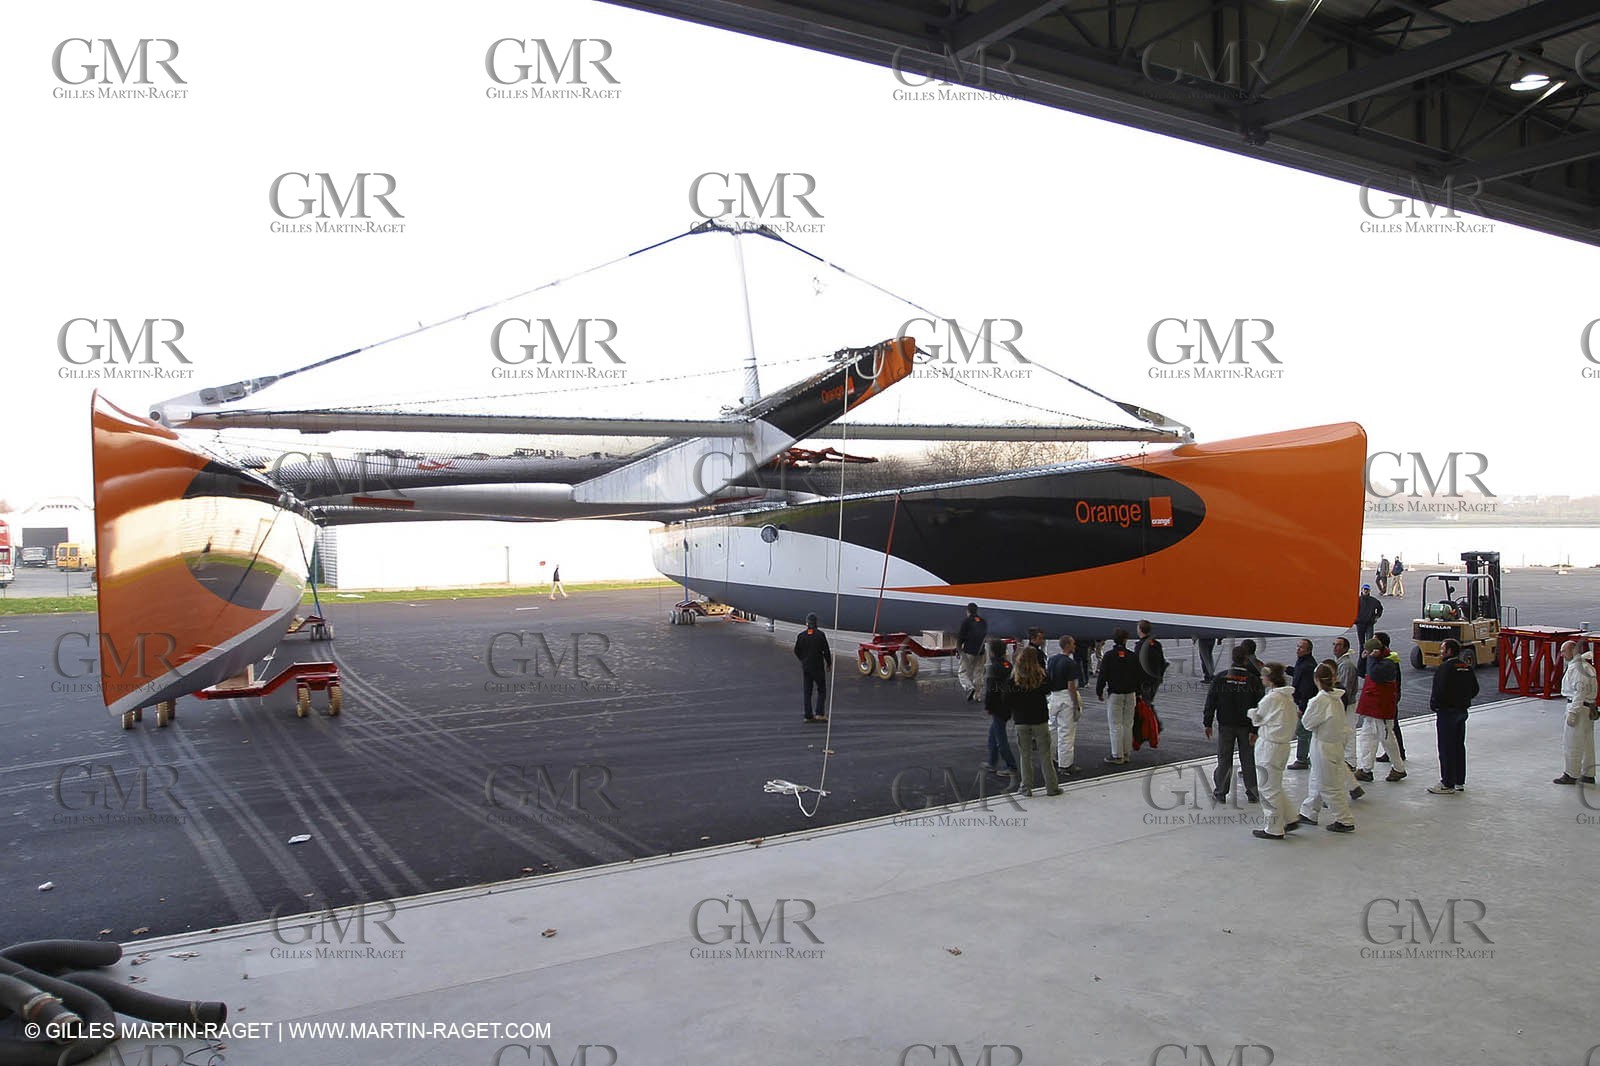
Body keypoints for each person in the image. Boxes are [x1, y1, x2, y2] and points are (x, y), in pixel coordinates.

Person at [1294, 662, 1356, 832]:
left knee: (1329, 785)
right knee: (1317, 779)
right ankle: (1309, 811)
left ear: (1316, 679)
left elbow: (1307, 723)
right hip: (1335, 744)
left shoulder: (1319, 701)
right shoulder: (1337, 698)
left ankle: (1344, 819)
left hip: (1323, 746)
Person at [1203, 646, 1263, 802]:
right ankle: (1252, 793)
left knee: (1224, 759)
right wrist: (1255, 730)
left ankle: (1221, 792)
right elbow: (1260, 706)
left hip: (1226, 725)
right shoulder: (1253, 680)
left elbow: (1211, 701)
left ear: (1232, 658)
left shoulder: (1221, 677)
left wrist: (1207, 722)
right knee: (1248, 759)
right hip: (1246, 726)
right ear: (1246, 660)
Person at [1248, 662, 1298, 840]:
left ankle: (1274, 827)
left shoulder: (1271, 698)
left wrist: (1251, 713)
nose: (1261, 677)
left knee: (1267, 787)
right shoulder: (1287, 698)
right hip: (1282, 746)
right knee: (1275, 785)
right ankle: (1290, 817)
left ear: (1269, 677)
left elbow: (1258, 717)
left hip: (1270, 746)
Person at [1009, 646, 1061, 798]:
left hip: (1021, 719)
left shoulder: (1015, 677)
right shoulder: (1041, 675)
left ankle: (1026, 787)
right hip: (1039, 718)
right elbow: (1049, 689)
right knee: (1045, 754)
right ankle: (1051, 786)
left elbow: (1008, 697)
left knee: (1025, 754)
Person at [1428, 638, 1479, 794]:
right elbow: (1475, 689)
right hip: (1462, 711)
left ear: (1449, 651)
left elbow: (1438, 690)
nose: (1440, 652)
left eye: (1442, 649)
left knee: (1446, 747)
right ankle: (1459, 781)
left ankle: (1447, 783)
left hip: (1447, 712)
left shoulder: (1444, 668)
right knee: (1458, 746)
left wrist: (1436, 705)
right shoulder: (1466, 667)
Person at [1354, 638, 1405, 781]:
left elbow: (1374, 674)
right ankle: (1366, 768)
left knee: (1387, 739)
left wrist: (1370, 658)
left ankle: (1398, 768)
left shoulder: (1388, 663)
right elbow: (1362, 672)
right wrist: (1364, 659)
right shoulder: (1379, 661)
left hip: (1380, 709)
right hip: (1374, 708)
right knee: (1368, 738)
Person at [1096, 627, 1142, 765]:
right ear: (1126, 640)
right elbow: (1138, 676)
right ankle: (1126, 752)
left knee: (1115, 725)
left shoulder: (1109, 656)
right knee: (1128, 724)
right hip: (1130, 693)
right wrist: (1138, 692)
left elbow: (1103, 675)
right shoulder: (1132, 656)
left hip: (1115, 693)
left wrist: (1099, 691)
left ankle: (1117, 754)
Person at [1554, 639, 1597, 786]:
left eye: (1563, 651)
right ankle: (1588, 773)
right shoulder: (1584, 666)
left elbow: (1580, 692)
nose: (1561, 655)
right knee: (1587, 742)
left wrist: (1573, 712)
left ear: (1573, 651)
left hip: (1578, 708)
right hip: (1586, 708)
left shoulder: (1578, 669)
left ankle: (1571, 774)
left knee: (1572, 742)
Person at [982, 638, 1019, 779]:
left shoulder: (993, 668)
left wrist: (988, 706)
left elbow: (991, 690)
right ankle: (992, 762)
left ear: (991, 652)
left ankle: (1011, 765)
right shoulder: (1008, 665)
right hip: (1007, 704)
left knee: (1000, 738)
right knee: (993, 735)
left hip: (997, 706)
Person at [1046, 636, 1083, 776]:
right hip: (1066, 697)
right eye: (1073, 643)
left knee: (1052, 729)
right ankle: (1065, 764)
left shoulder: (1052, 660)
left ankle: (1050, 757)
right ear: (1067, 645)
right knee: (1066, 732)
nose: (1075, 645)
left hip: (1053, 696)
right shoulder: (1070, 663)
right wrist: (1076, 704)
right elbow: (1071, 686)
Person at [1332, 636, 1364, 799]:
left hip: (1347, 706)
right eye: (1334, 644)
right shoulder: (1342, 664)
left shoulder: (1346, 666)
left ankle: (1350, 762)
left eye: (1338, 645)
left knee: (1349, 733)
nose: (1335, 647)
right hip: (1346, 705)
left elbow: (1344, 690)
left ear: (1345, 648)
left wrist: (1340, 709)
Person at [793, 613, 831, 723]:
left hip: (806, 667)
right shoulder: (820, 635)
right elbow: (826, 651)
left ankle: (808, 715)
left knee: (807, 691)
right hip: (818, 666)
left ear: (807, 623)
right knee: (821, 689)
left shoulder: (801, 636)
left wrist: (803, 659)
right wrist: (829, 663)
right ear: (816, 623)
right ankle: (819, 713)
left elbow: (796, 650)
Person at [1287, 639, 1316, 770]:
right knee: (1306, 731)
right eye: (1298, 646)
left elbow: (1306, 689)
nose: (1298, 649)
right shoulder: (1303, 662)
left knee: (1302, 731)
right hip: (1304, 703)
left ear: (1308, 650)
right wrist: (1287, 670)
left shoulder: (1307, 666)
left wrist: (1302, 707)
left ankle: (1302, 759)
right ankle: (1309, 756)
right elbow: (1298, 674)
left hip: (1305, 705)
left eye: (1301, 647)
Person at [956, 603, 989, 703]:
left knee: (962, 673)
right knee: (978, 673)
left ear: (968, 611)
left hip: (969, 651)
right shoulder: (983, 622)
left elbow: (961, 637)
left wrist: (958, 650)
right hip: (981, 651)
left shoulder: (966, 621)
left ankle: (969, 687)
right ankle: (977, 696)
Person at [1133, 620, 1167, 707]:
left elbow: (1137, 665)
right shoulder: (1156, 644)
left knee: (1144, 703)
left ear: (1140, 630)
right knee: (1148, 700)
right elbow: (1162, 662)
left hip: (1144, 680)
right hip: (1155, 679)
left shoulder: (1140, 646)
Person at [1354, 585, 1383, 649]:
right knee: (1361, 643)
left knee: (1369, 643)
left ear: (1369, 591)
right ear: (1362, 590)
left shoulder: (1374, 600)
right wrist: (1354, 619)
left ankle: (1369, 654)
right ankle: (1362, 655)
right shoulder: (1357, 600)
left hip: (1369, 623)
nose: (1365, 591)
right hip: (1360, 623)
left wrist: (1376, 617)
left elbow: (1380, 609)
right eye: (1364, 589)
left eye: (1367, 590)